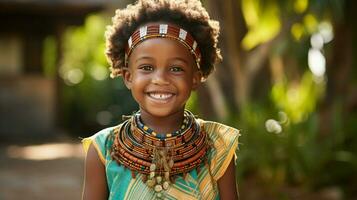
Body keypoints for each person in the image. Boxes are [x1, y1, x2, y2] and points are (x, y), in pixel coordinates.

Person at [82, 0, 240, 199]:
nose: (160, 79)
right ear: (128, 77)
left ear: (195, 78)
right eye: (147, 67)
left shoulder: (218, 146)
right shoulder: (103, 149)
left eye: (176, 69)